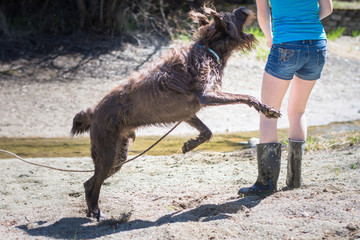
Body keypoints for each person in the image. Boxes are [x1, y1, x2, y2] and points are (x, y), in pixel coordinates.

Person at [239, 0, 333, 195]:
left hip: (286, 44)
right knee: (297, 111)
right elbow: (327, 9)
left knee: (268, 113)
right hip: (317, 45)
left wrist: (269, 36)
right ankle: (294, 179)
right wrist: (304, 21)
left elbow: (264, 16)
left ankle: (267, 183)